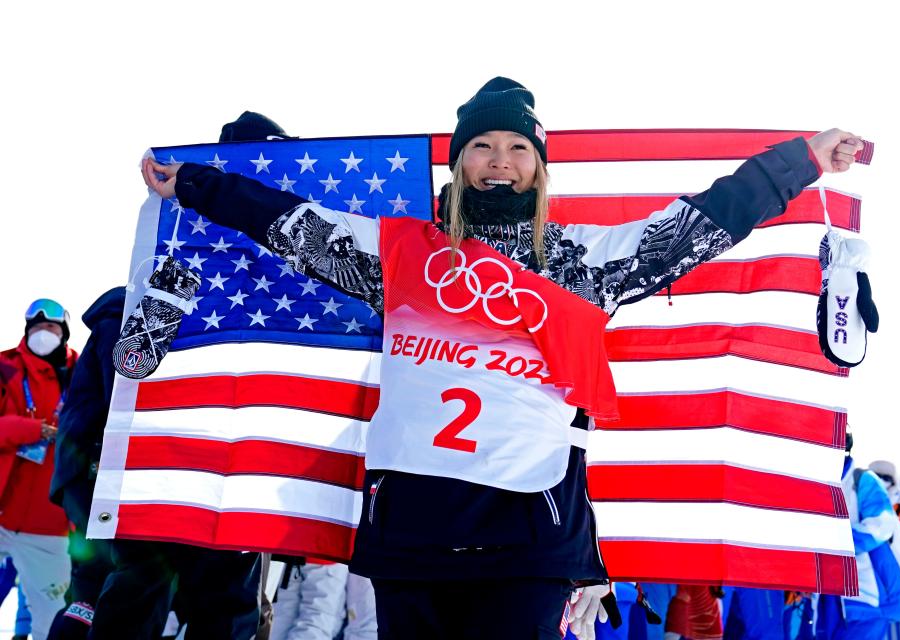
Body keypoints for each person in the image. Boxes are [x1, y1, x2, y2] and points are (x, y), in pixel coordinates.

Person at [141, 77, 862, 639]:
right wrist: (197, 186)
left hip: (530, 537)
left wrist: (800, 162)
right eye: (483, 146)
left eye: (518, 149)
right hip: (413, 531)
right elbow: (290, 225)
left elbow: (703, 221)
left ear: (539, 168)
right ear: (458, 160)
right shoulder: (401, 254)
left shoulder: (583, 261)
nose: (500, 161)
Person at [88, 112, 295, 640]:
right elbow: (132, 364)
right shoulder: (177, 259)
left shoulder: (290, 287)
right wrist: (170, 299)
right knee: (136, 607)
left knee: (229, 618)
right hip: (164, 475)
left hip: (245, 479)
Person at [45, 286, 125, 639]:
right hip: (96, 478)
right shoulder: (119, 322)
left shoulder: (116, 320)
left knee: (88, 591)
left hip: (87, 478)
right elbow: (121, 399)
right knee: (100, 587)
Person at [0, 299, 76, 640]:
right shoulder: (5, 368)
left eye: (52, 328)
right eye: (38, 328)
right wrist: (32, 430)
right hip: (2, 514)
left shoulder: (84, 372)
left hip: (50, 526)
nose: (44, 334)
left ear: (64, 334)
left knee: (53, 619)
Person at [816, 433, 900, 639]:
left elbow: (881, 525)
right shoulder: (818, 481)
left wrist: (835, 541)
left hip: (868, 589)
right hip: (829, 591)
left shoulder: (862, 480)